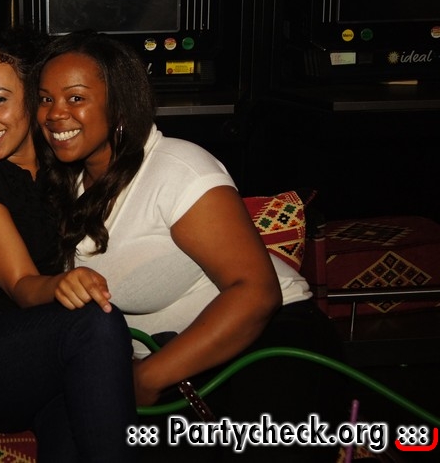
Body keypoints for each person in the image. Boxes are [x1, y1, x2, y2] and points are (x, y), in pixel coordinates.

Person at [31, 30, 348, 462]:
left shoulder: (177, 168)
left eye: (75, 97)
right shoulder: (71, 185)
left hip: (269, 350)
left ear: (119, 104)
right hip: (179, 371)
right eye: (45, 99)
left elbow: (256, 293)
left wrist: (149, 376)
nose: (54, 113)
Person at [0, 26, 137, 462]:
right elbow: (22, 285)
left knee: (76, 430)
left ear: (34, 97)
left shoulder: (66, 168)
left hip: (57, 357)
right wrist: (64, 285)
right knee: (94, 322)